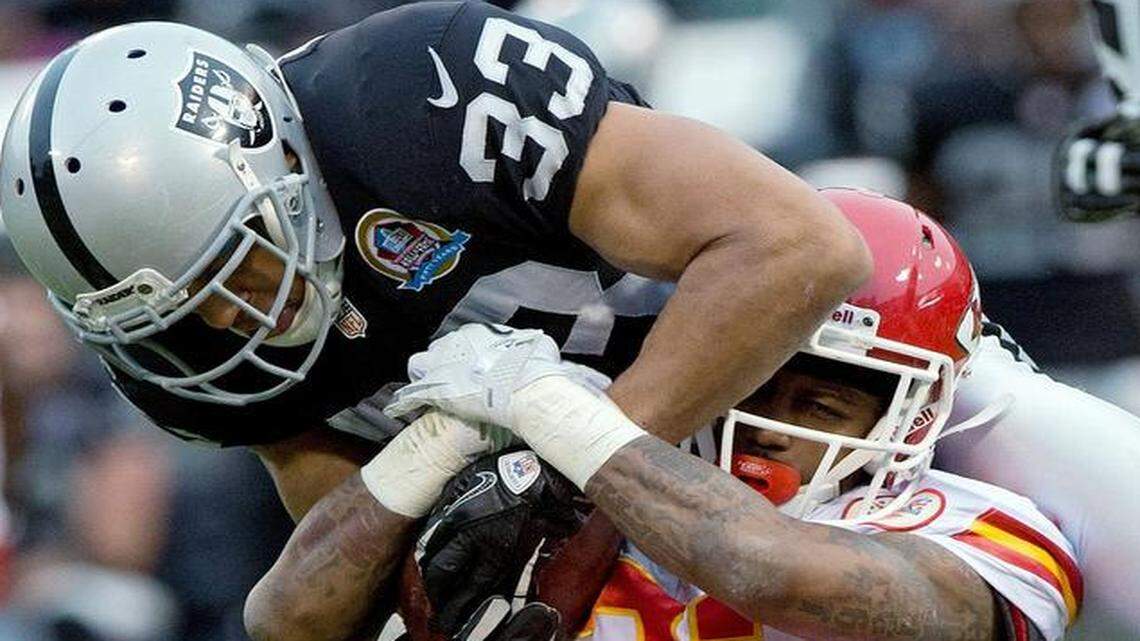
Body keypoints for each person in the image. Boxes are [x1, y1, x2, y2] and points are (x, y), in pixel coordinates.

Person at [0, 0, 868, 527]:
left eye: (232, 267)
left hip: (810, 399)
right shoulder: (180, 358)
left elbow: (798, 245)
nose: (229, 321)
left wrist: (566, 482)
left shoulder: (418, 94)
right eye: (181, 309)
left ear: (276, 164)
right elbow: (349, 543)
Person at [263, 188, 1079, 641]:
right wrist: (449, 435)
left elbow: (774, 572)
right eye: (758, 378)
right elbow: (285, 620)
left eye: (825, 399)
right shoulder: (579, 481)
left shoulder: (977, 531)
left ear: (915, 409)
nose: (770, 422)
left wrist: (550, 409)